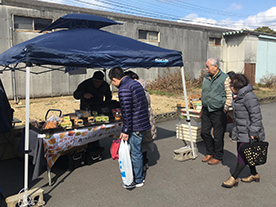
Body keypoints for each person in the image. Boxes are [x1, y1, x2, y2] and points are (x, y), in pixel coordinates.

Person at [108, 66, 151, 189]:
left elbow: (127, 112)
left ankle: (138, 179)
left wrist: (126, 130)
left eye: (112, 81)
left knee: (135, 153)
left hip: (135, 125)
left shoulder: (124, 89)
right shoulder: (135, 83)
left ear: (114, 79)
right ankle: (137, 176)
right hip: (141, 122)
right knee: (136, 151)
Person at [221, 74, 265, 188]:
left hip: (248, 132)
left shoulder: (249, 97)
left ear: (237, 86)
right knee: (249, 153)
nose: (230, 88)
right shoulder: (239, 96)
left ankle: (234, 178)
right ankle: (254, 174)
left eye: (231, 85)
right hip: (241, 130)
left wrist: (253, 132)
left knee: (242, 154)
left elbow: (256, 117)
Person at [73, 71, 112, 160]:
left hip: (98, 108)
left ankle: (95, 146)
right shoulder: (85, 84)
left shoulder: (105, 85)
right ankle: (86, 146)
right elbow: (75, 95)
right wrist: (83, 94)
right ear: (92, 79)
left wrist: (106, 106)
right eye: (95, 82)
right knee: (87, 128)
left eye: (99, 82)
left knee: (97, 128)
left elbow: (109, 96)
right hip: (85, 109)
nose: (97, 84)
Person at [201, 57, 232, 165]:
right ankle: (210, 152)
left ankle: (218, 155)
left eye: (208, 67)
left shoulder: (225, 78)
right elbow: (204, 92)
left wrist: (225, 108)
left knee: (218, 136)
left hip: (218, 111)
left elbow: (229, 95)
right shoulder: (206, 78)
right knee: (204, 132)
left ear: (215, 67)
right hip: (206, 109)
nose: (206, 69)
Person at [124, 70, 157, 173]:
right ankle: (143, 164)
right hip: (145, 119)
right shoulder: (141, 87)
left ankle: (140, 169)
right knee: (142, 145)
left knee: (139, 147)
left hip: (141, 121)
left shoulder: (137, 89)